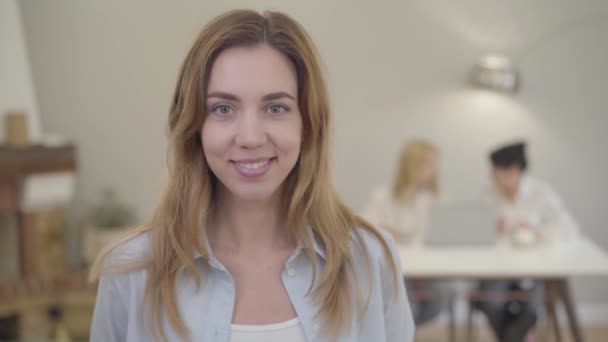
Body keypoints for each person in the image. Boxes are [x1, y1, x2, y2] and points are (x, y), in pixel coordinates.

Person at [89, 9, 414, 342]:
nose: (250, 137)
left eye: (276, 108)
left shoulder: (369, 260)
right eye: (223, 109)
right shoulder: (131, 270)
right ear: (193, 127)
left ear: (308, 124)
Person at [474, 141, 580, 342]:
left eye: (496, 170)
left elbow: (569, 229)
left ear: (515, 169)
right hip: (496, 269)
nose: (491, 175)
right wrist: (491, 231)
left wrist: (538, 232)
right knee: (490, 304)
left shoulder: (542, 193)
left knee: (532, 309)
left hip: (533, 271)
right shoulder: (487, 196)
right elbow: (476, 234)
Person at [363, 139, 443, 326]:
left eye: (435, 165)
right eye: (429, 164)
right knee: (407, 307)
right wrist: (385, 232)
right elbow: (364, 231)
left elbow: (437, 238)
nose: (434, 170)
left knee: (438, 301)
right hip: (394, 270)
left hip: (427, 271)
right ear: (413, 164)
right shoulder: (381, 197)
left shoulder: (436, 200)